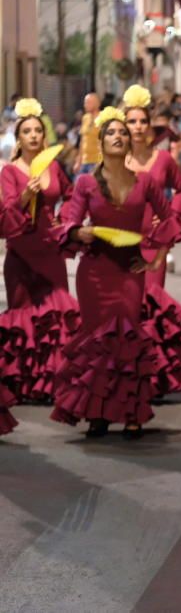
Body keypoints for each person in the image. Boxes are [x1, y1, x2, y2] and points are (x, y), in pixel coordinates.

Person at [50, 107, 181, 439]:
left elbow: (170, 219)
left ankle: (131, 412)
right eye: (111, 133)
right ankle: (98, 413)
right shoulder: (85, 182)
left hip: (130, 271)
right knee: (98, 341)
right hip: (95, 272)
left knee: (127, 338)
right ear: (101, 141)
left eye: (123, 133)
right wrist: (77, 232)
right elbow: (69, 219)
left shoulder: (147, 182)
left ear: (129, 143)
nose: (118, 137)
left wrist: (157, 258)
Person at [121, 85, 181, 398]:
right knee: (125, 307)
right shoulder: (115, 159)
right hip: (121, 241)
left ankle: (151, 374)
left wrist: (168, 215)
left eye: (143, 121)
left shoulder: (164, 159)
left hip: (155, 242)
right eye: (132, 122)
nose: (138, 127)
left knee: (151, 302)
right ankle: (127, 372)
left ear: (150, 125)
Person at [0, 98, 79, 405]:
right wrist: (24, 196)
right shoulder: (9, 171)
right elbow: (6, 210)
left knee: (56, 313)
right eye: (26, 131)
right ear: (18, 138)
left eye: (37, 130)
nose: (33, 135)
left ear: (43, 136)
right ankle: (23, 381)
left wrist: (66, 218)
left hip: (51, 246)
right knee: (24, 312)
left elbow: (72, 195)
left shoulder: (54, 166)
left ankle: (53, 381)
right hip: (22, 249)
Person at [72, 93, 101, 178]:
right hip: (84, 162)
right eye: (85, 102)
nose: (85, 105)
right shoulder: (85, 118)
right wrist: (78, 161)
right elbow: (82, 141)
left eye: (88, 102)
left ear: (97, 104)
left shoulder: (103, 118)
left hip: (97, 161)